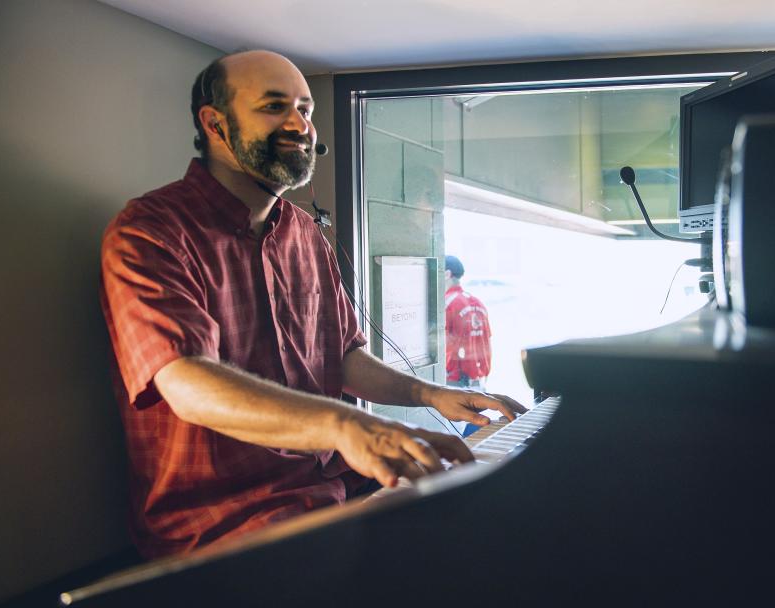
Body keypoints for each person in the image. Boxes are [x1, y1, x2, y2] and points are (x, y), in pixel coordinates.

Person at [100, 50, 526, 559]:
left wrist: (430, 395)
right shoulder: (151, 230)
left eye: (305, 109)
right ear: (215, 123)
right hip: (223, 533)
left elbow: (341, 358)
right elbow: (188, 385)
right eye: (274, 106)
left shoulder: (303, 233)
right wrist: (348, 425)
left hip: (334, 497)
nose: (299, 123)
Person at [444, 255, 493, 390]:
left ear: (447, 274)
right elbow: (487, 341)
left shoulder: (447, 303)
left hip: (455, 382)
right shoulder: (478, 303)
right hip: (479, 382)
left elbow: (441, 343)